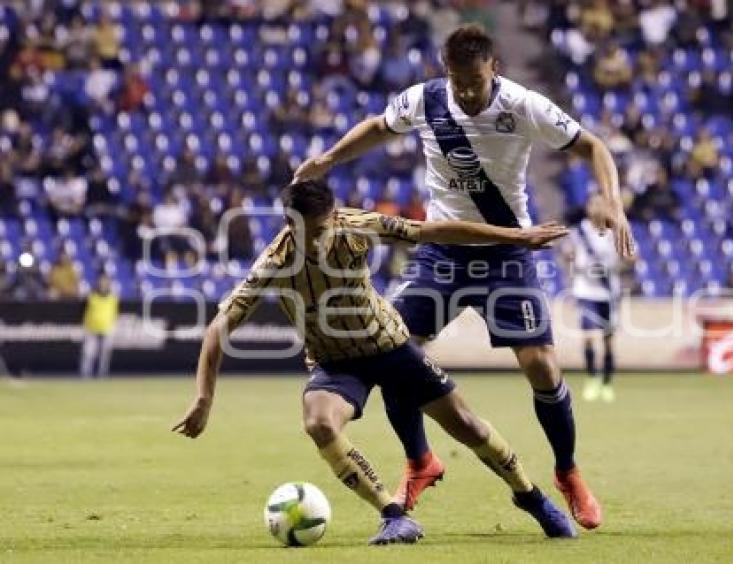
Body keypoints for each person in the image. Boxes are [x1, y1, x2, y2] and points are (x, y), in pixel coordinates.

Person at [293, 24, 635, 529]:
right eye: (457, 82)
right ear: (446, 72)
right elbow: (378, 126)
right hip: (441, 253)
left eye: (474, 81)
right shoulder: (425, 100)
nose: (466, 92)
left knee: (541, 365)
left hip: (505, 252)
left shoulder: (522, 105)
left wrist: (611, 199)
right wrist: (327, 159)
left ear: (492, 67)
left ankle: (567, 471)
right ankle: (420, 461)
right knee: (395, 351)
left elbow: (593, 147)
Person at [173, 180, 578, 545]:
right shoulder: (274, 264)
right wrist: (204, 398)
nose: (311, 242)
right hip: (336, 362)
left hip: (390, 346)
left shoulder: (356, 225)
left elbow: (430, 230)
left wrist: (515, 236)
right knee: (318, 422)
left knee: (467, 426)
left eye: (318, 230)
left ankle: (532, 497)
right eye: (300, 231)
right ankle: (393, 515)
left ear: (332, 217)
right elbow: (218, 327)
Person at [563, 194, 621, 403]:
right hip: (585, 290)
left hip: (608, 292)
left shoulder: (615, 231)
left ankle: (607, 383)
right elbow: (567, 253)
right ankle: (591, 379)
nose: (596, 208)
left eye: (600, 204)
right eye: (593, 203)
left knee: (608, 340)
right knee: (588, 337)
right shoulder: (579, 232)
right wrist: (570, 261)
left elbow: (629, 256)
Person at [80, 273, 119, 379]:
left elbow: (114, 313)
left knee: (105, 354)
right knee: (89, 353)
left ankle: (102, 374)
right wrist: (85, 325)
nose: (103, 284)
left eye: (105, 282)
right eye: (101, 282)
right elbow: (86, 312)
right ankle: (85, 374)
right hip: (92, 327)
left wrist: (113, 325)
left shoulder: (112, 298)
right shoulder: (92, 296)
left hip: (107, 328)